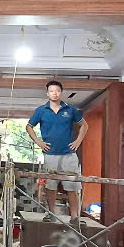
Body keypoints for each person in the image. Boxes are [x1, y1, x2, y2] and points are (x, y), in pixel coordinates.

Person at [25, 80, 88, 224]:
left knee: (72, 185)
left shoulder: (70, 110)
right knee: (50, 185)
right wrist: (38, 142)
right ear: (47, 94)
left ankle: (75, 217)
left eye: (57, 91)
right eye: (52, 91)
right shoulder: (41, 110)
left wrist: (78, 141)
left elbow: (84, 125)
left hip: (69, 154)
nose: (55, 93)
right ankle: (51, 213)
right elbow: (29, 127)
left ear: (61, 93)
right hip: (50, 154)